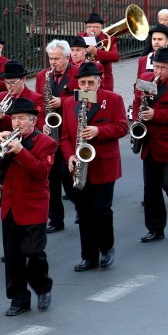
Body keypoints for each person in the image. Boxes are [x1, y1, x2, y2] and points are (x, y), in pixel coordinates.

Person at [0, 98, 57, 316]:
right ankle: (18, 299)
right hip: (10, 204)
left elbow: (40, 172)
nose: (16, 123)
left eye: (21, 119)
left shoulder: (45, 142)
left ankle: (43, 288)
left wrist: (20, 151)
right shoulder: (7, 139)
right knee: (12, 256)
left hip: (33, 205)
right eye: (14, 118)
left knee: (33, 251)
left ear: (33, 121)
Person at [60, 63, 128, 271]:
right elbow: (64, 137)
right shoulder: (70, 102)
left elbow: (123, 127)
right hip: (79, 165)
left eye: (91, 82)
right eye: (83, 83)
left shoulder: (113, 99)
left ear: (99, 82)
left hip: (104, 164)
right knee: (84, 211)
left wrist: (99, 131)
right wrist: (70, 155)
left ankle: (107, 248)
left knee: (101, 209)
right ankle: (88, 256)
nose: (87, 86)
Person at [132, 47, 168, 242]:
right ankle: (155, 228)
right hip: (150, 142)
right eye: (156, 67)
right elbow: (137, 102)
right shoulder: (145, 78)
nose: (157, 71)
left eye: (162, 68)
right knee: (151, 189)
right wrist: (136, 119)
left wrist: (156, 115)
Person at [35, 39, 79, 233]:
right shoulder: (42, 76)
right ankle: (56, 219)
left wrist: (62, 101)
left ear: (67, 57)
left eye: (57, 59)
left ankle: (79, 205)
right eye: (51, 59)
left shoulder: (78, 73)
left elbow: (89, 96)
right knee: (51, 178)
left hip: (70, 130)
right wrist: (41, 124)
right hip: (50, 132)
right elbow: (38, 103)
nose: (53, 63)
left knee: (67, 174)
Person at [0, 60, 45, 138]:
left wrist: (4, 117)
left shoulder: (35, 98)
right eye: (6, 82)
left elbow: (36, 126)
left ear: (23, 79)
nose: (9, 86)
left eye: (13, 82)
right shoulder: (0, 96)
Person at [77, 13, 119, 91]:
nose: (92, 29)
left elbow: (115, 57)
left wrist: (96, 52)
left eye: (95, 27)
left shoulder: (109, 38)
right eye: (89, 27)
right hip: (83, 77)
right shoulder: (80, 37)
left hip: (104, 79)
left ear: (101, 27)